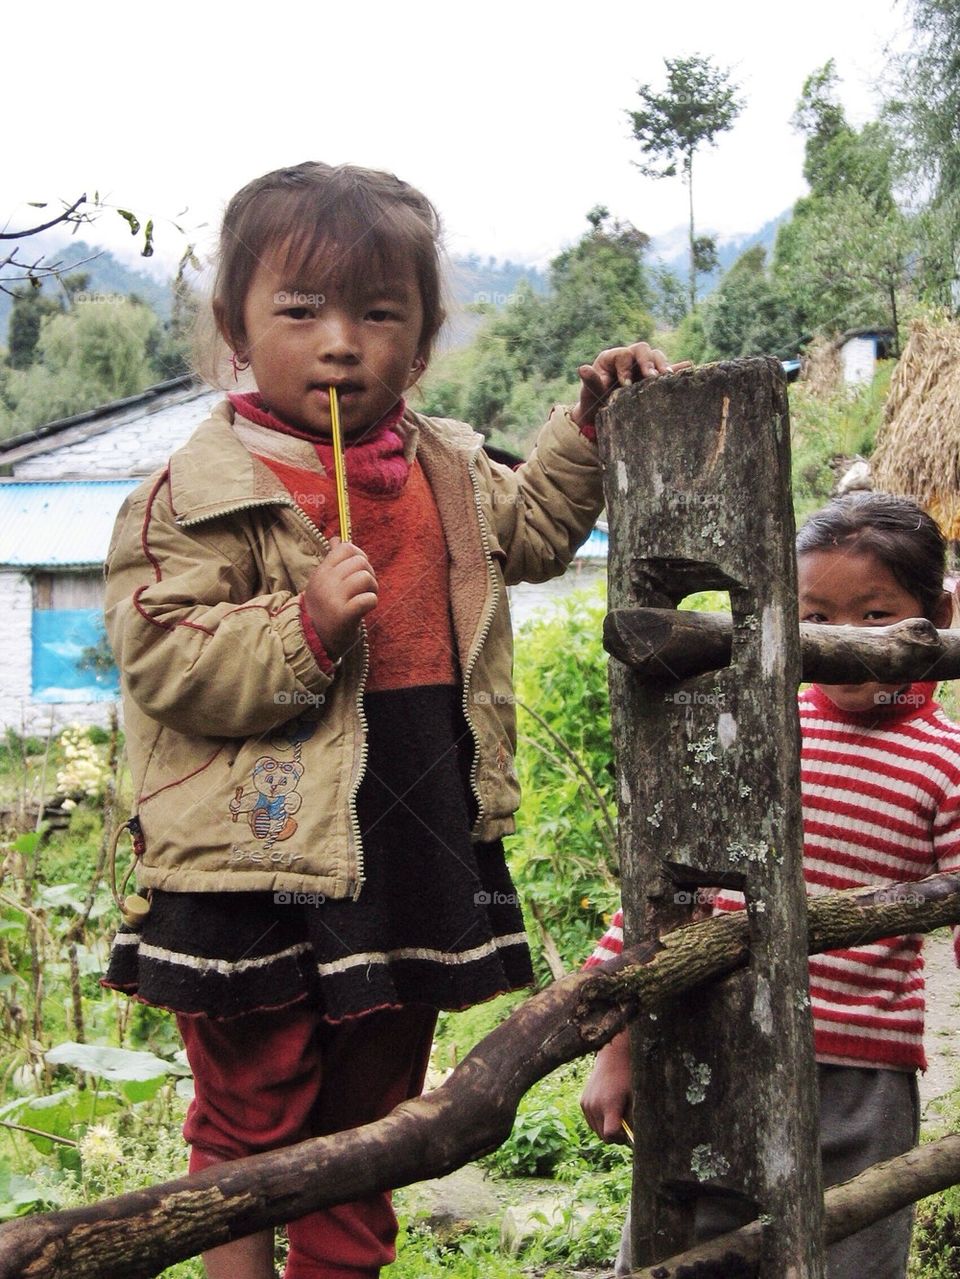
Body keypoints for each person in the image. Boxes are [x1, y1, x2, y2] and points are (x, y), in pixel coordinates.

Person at [101, 160, 678, 1279]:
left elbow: (535, 530)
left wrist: (588, 427)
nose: (340, 345)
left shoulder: (447, 464)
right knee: (250, 1116)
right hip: (249, 860)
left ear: (419, 344)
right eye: (300, 310)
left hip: (411, 838)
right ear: (235, 328)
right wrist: (301, 627)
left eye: (378, 314)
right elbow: (163, 656)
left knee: (374, 1122)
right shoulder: (193, 493)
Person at [580, 492, 960, 1279]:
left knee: (847, 1254)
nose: (843, 641)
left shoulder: (947, 761)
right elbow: (665, 892)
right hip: (712, 1049)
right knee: (686, 1253)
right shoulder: (752, 726)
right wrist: (617, 1043)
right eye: (816, 615)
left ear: (939, 615)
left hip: (858, 1085)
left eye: (876, 615)